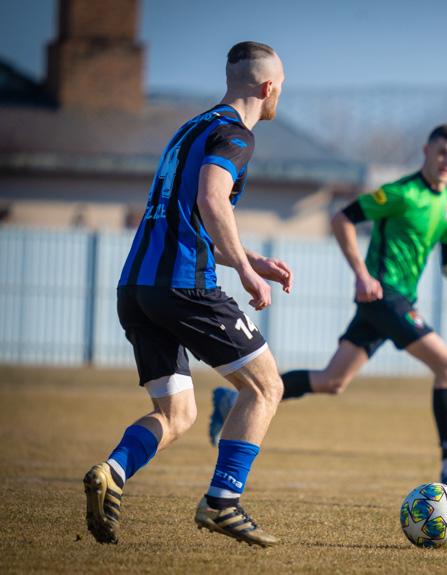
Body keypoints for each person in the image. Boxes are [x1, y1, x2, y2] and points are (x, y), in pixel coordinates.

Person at [208, 124, 447, 490]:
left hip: (393, 301)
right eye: (442, 152)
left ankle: (232, 399)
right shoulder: (402, 193)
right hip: (384, 296)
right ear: (426, 151)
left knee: (332, 381)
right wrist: (361, 274)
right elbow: (341, 218)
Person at [83, 42, 292, 548]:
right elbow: (211, 198)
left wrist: (246, 255)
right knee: (265, 388)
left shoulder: (190, 128)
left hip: (137, 288)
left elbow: (187, 219)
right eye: (280, 87)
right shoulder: (235, 134)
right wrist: (245, 269)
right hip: (183, 285)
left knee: (177, 414)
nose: (279, 95)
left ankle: (111, 472)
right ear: (268, 88)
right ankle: (222, 503)